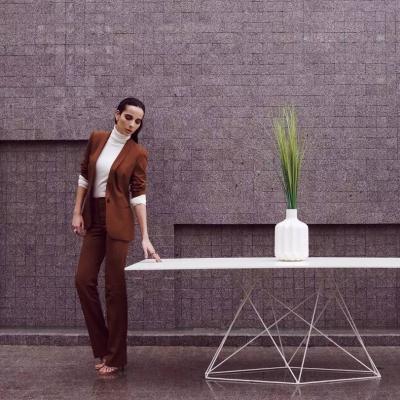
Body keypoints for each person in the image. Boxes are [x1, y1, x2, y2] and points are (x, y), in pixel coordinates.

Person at [71, 97, 161, 376]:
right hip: (94, 219)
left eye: (138, 121)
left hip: (119, 223)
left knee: (114, 288)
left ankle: (116, 356)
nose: (132, 124)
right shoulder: (97, 139)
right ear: (117, 114)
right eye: (128, 117)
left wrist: (145, 236)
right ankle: (102, 347)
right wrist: (77, 212)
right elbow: (84, 177)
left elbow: (139, 195)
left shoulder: (138, 153)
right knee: (83, 280)